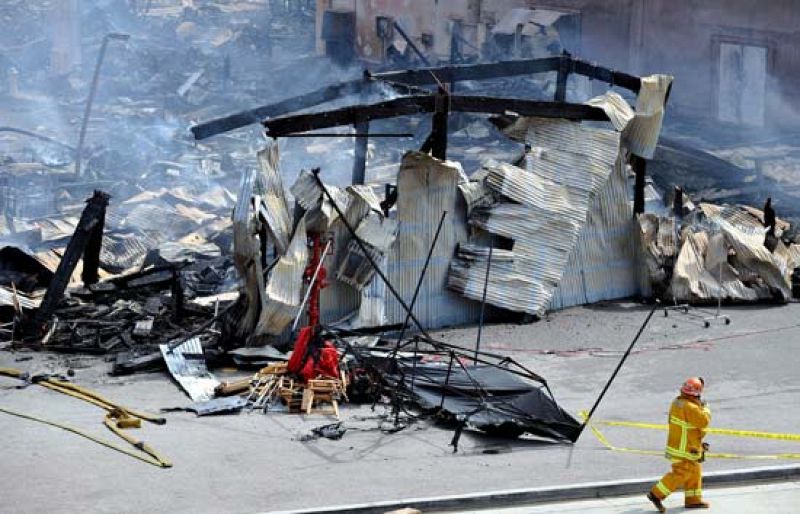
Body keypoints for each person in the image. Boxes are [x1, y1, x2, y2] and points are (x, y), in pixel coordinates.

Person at [647, 377, 712, 511]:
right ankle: (656, 494)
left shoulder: (678, 402)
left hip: (682, 445)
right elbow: (703, 421)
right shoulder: (691, 407)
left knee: (695, 471)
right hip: (685, 448)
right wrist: (705, 409)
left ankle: (693, 499)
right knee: (682, 472)